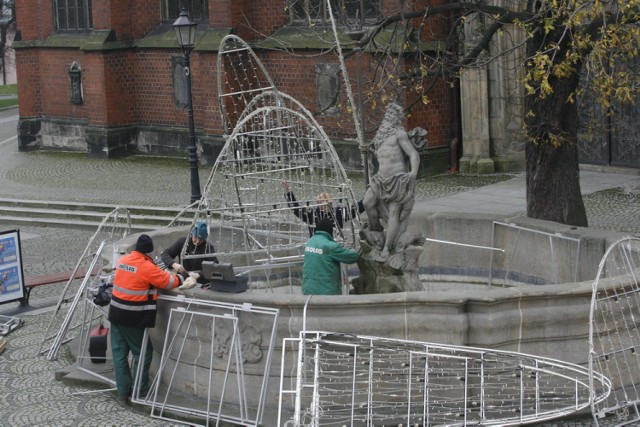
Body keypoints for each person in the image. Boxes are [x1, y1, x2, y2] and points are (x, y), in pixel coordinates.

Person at [108, 234, 197, 405]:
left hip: (116, 313)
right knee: (143, 353)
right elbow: (168, 282)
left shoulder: (124, 260)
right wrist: (183, 277)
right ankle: (140, 389)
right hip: (133, 316)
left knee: (119, 354)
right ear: (149, 251)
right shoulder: (146, 267)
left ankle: (122, 393)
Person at [363, 103, 420, 259]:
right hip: (380, 179)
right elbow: (380, 156)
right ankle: (376, 228)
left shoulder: (399, 134)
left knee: (394, 213)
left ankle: (387, 248)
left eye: (393, 115)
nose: (389, 117)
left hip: (397, 180)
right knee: (367, 202)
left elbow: (413, 154)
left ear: (397, 119)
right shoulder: (379, 137)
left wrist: (413, 172)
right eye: (388, 114)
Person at [283, 181, 365, 237]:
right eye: (323, 201)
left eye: (329, 202)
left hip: (333, 244)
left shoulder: (338, 212)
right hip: (317, 246)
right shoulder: (312, 214)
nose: (327, 204)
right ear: (318, 203)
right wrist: (288, 191)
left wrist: (368, 198)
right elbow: (296, 209)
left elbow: (356, 209)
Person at [302, 218, 360, 295]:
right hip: (326, 293)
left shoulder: (310, 242)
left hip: (308, 291)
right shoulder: (330, 246)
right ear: (329, 231)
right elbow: (352, 257)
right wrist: (358, 249)